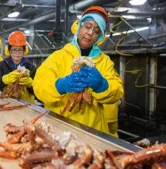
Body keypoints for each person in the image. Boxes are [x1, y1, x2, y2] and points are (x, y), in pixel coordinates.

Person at [32, 6, 124, 134]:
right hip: (59, 127)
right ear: (79, 26)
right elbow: (39, 86)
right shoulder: (58, 57)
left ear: (100, 37)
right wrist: (59, 86)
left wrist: (103, 86)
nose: (90, 33)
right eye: (87, 26)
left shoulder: (105, 62)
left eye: (96, 31)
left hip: (94, 130)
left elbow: (117, 91)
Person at [0, 31, 36, 103]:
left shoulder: (31, 67)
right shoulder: (1, 65)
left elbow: (38, 93)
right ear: (8, 51)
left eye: (20, 50)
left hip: (27, 104)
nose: (17, 53)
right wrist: (4, 79)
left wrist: (30, 83)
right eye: (14, 50)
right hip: (6, 101)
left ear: (25, 51)